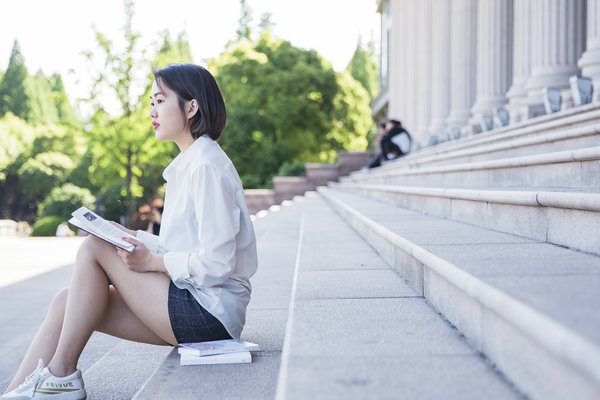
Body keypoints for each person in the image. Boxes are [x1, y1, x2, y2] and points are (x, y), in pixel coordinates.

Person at [1, 64, 258, 400]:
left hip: (210, 314)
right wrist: (131, 235)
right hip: (193, 304)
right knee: (66, 302)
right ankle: (15, 393)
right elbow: (183, 246)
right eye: (152, 102)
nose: (152, 111)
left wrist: (151, 262)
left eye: (161, 101)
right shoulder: (191, 164)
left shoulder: (206, 166)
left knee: (94, 248)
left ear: (191, 107)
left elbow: (218, 263)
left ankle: (62, 375)